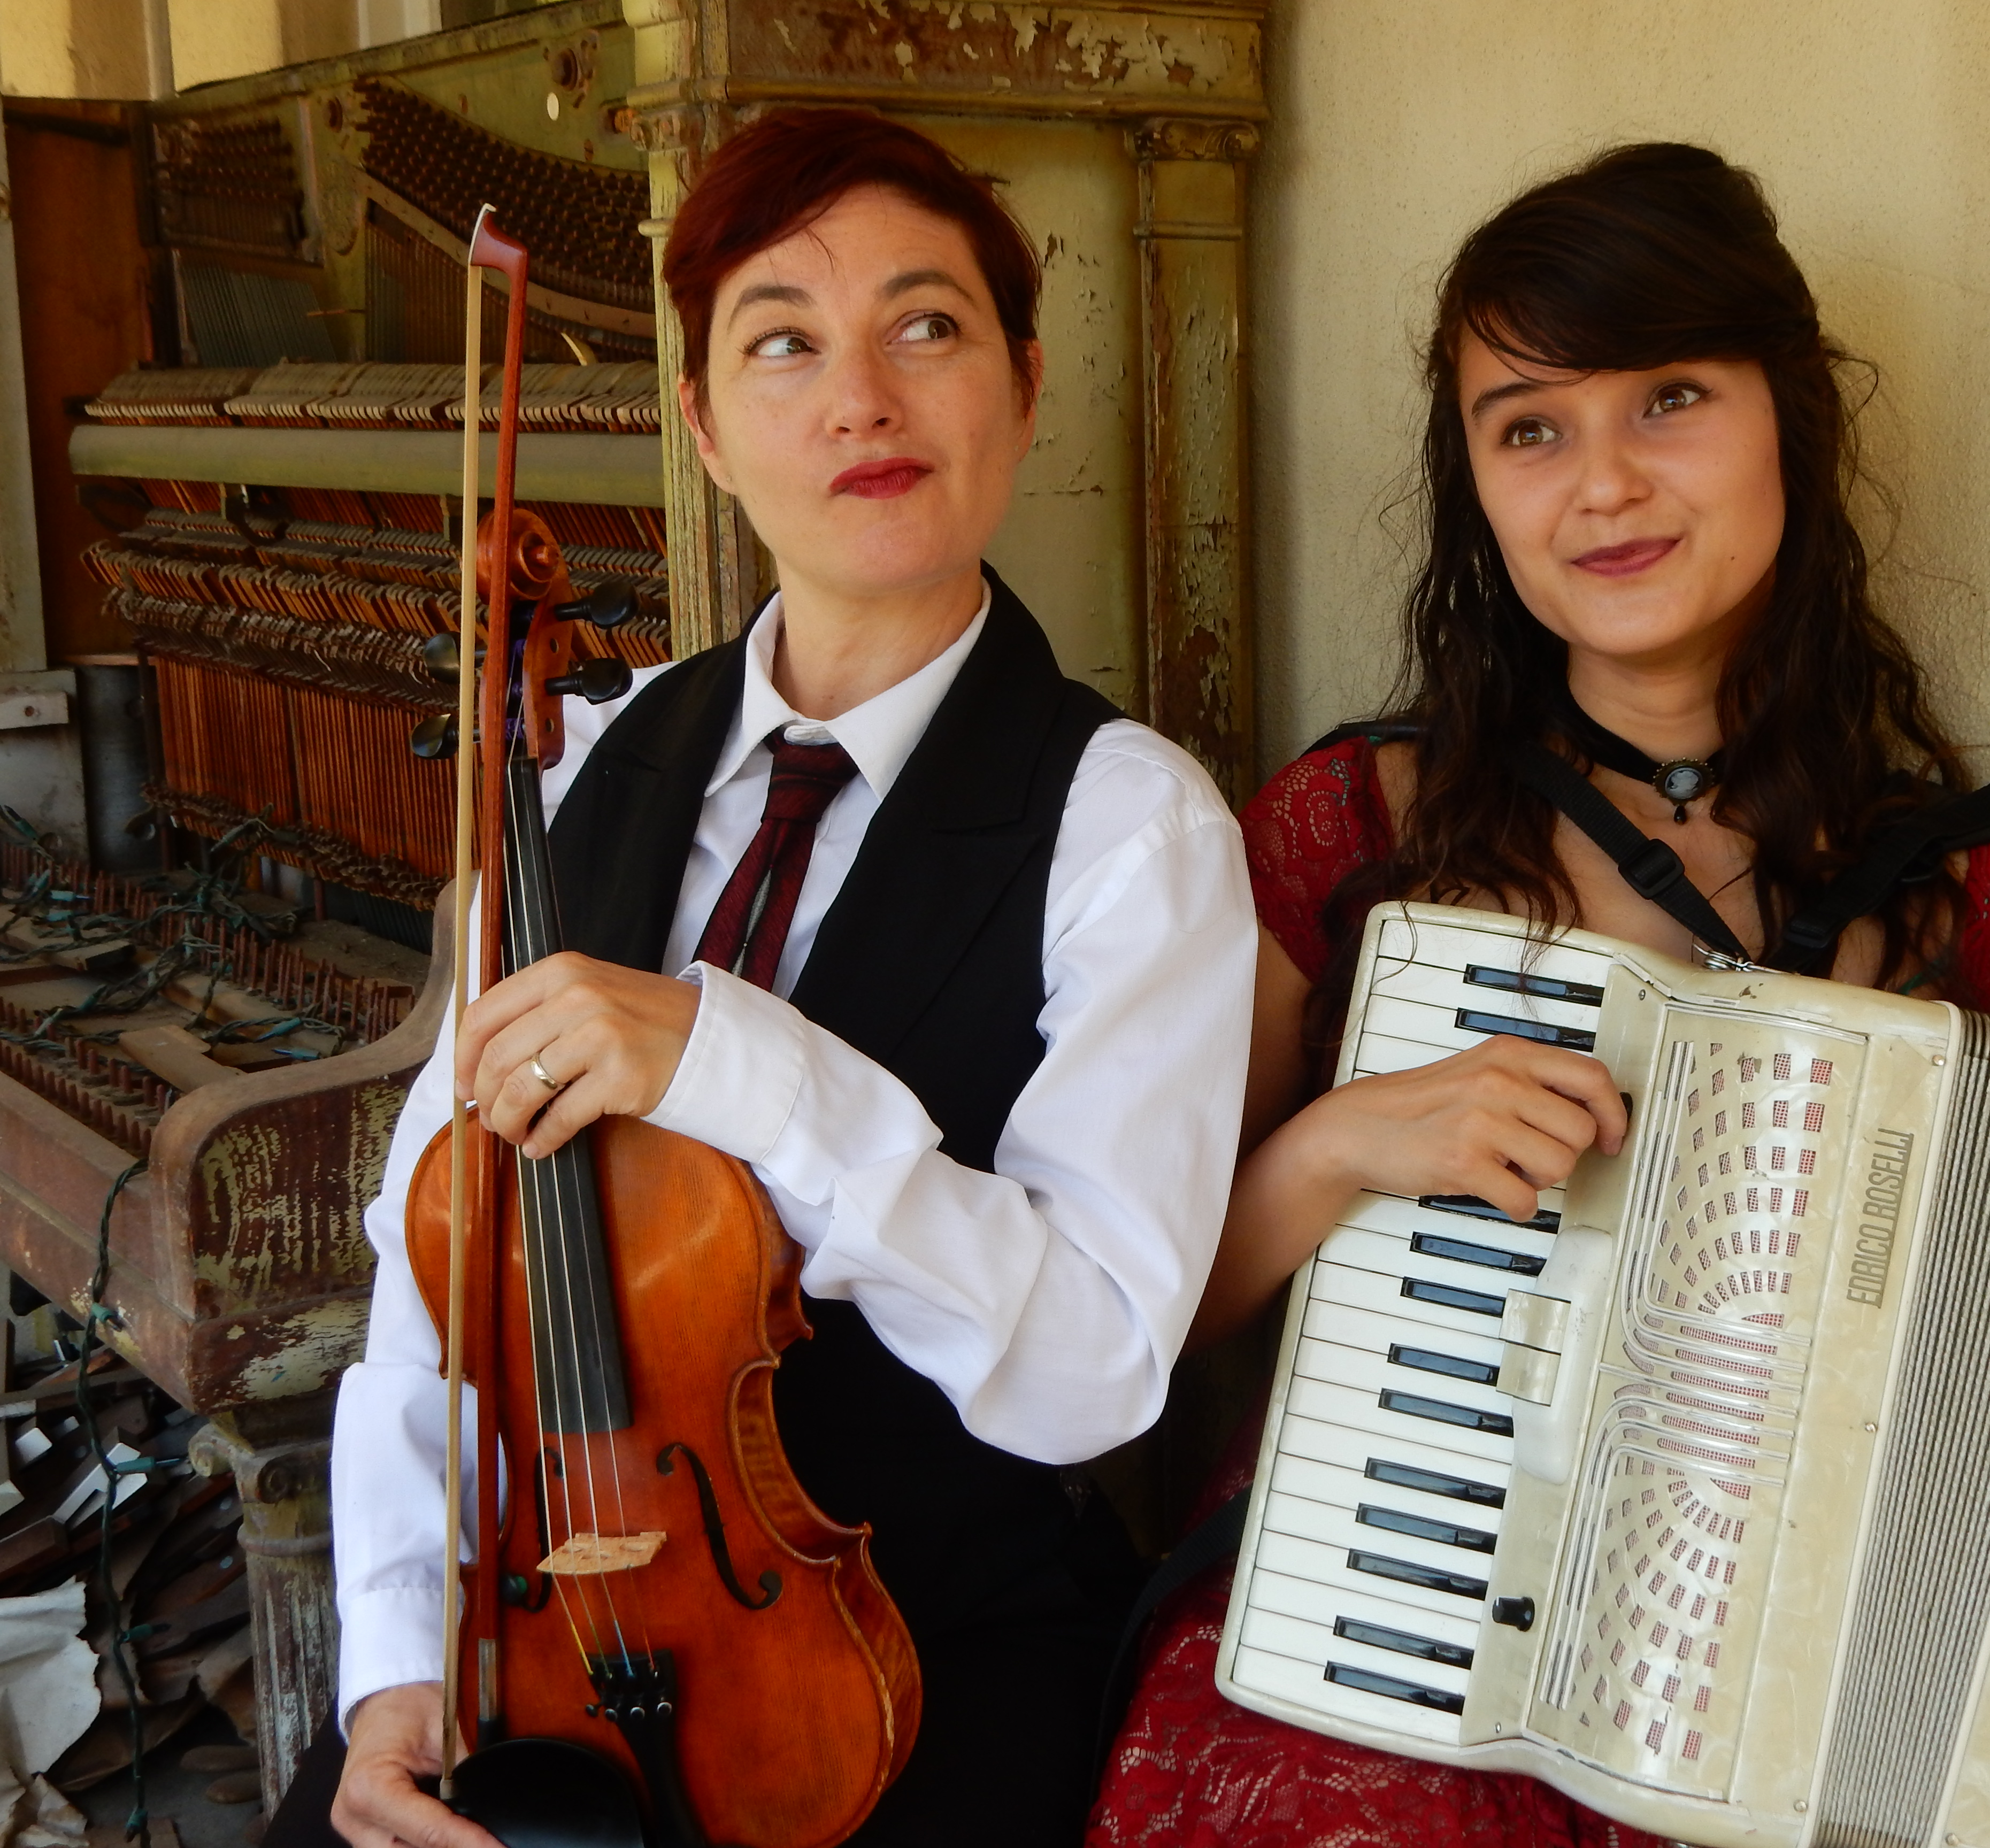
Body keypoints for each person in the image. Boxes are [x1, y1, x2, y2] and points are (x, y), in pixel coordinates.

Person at [1087, 143, 1990, 1848]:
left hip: (1786, 1721)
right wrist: (1342, 1146)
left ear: (1786, 419)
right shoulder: (1350, 827)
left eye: (1669, 398)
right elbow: (1127, 1316)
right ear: (1475, 485)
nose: (1603, 484)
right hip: (1379, 1654)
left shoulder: (1953, 891)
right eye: (1530, 428)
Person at [267, 109, 1255, 1848]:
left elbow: (1097, 1364)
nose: (862, 398)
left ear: (1026, 387)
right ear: (709, 430)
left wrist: (736, 1065)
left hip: (916, 1643)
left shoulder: (1129, 824)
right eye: (784, 341)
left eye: (925, 325)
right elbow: (442, 1271)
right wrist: (404, 1661)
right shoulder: (583, 769)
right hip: (539, 1624)